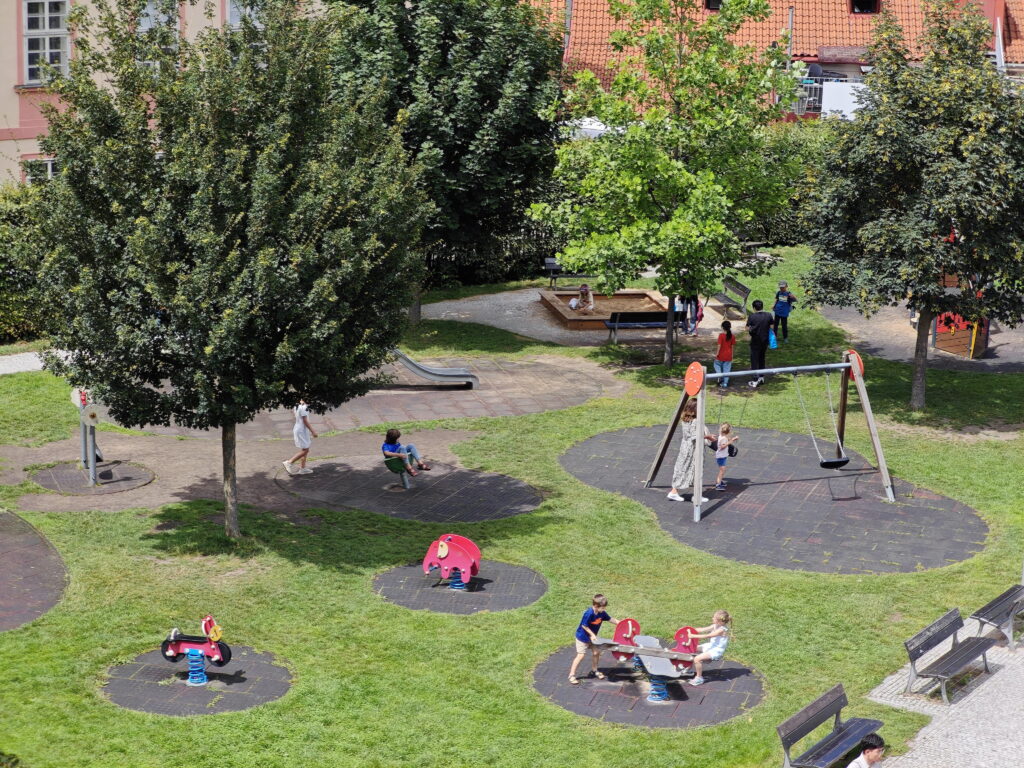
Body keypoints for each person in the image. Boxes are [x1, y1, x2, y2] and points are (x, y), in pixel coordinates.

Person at [667, 399, 714, 503]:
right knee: (696, 470)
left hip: (685, 447)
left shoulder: (685, 418)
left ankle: (676, 492)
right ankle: (692, 495)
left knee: (683, 468)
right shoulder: (695, 421)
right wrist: (708, 436)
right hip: (693, 449)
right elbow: (695, 436)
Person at [569, 594, 618, 684]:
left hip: (592, 638)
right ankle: (571, 675)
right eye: (603, 608)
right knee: (581, 655)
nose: (604, 609)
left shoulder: (601, 613)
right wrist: (592, 634)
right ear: (596, 606)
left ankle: (594, 670)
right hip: (582, 637)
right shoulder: (589, 613)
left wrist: (620, 623)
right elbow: (584, 625)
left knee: (596, 652)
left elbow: (610, 619)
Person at [684, 610, 731, 686]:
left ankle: (699, 678)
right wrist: (690, 630)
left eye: (714, 618)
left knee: (697, 659)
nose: (712, 618)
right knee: (691, 648)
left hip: (716, 650)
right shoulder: (715, 625)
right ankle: (686, 669)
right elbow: (703, 629)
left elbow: (707, 636)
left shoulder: (722, 630)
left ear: (719, 621)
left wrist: (693, 636)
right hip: (711, 646)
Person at [283, 399, 317, 475]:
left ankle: (303, 468)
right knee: (305, 450)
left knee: (305, 448)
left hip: (300, 429)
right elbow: (305, 421)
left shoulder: (297, 405)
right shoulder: (304, 407)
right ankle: (289, 462)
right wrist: (313, 431)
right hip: (302, 430)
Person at [746, 299, 773, 388]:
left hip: (755, 341)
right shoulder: (769, 315)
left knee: (754, 360)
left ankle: (754, 380)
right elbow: (772, 326)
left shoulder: (752, 316)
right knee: (762, 358)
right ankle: (761, 377)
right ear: (762, 306)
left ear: (754, 308)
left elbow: (746, 328)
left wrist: (751, 329)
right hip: (765, 341)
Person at [712, 423, 737, 491]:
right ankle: (718, 484)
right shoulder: (723, 438)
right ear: (728, 432)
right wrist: (731, 441)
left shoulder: (721, 436)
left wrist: (732, 439)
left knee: (722, 470)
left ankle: (720, 481)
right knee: (722, 471)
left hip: (722, 456)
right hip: (721, 457)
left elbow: (726, 439)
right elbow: (723, 446)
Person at [714, 320, 735, 387]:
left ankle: (719, 375)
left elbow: (719, 346)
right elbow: (732, 347)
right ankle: (725, 383)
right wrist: (732, 355)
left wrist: (717, 354)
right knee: (727, 370)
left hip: (720, 355)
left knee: (716, 365)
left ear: (722, 327)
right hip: (728, 356)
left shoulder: (721, 335)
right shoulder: (732, 336)